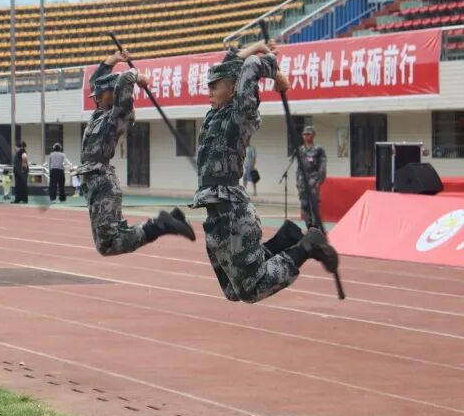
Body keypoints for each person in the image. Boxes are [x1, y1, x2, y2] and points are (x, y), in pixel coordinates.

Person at [193, 41, 338, 304]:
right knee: (233, 290)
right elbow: (233, 61)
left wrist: (274, 71)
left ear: (233, 88)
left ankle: (308, 245)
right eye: (208, 86)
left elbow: (250, 66)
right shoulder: (215, 114)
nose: (209, 91)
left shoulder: (241, 113)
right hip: (214, 211)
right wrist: (259, 45)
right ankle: (286, 239)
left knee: (251, 289)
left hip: (232, 208)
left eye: (215, 86)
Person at [79, 52, 196, 257]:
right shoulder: (100, 113)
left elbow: (124, 80)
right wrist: (113, 59)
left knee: (109, 244)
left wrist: (138, 77)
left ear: (113, 93)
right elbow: (97, 81)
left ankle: (161, 225)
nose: (96, 98)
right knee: (107, 242)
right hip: (94, 181)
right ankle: (168, 221)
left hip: (102, 181)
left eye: (100, 94)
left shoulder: (119, 114)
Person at [295, 126, 327, 229]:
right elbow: (299, 166)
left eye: (308, 134)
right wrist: (298, 180)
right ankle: (308, 224)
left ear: (313, 135)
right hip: (302, 180)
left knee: (314, 203)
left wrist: (320, 180)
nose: (306, 136)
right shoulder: (300, 149)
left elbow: (322, 165)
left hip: (313, 178)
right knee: (304, 203)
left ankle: (316, 225)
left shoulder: (318, 149)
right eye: (304, 134)